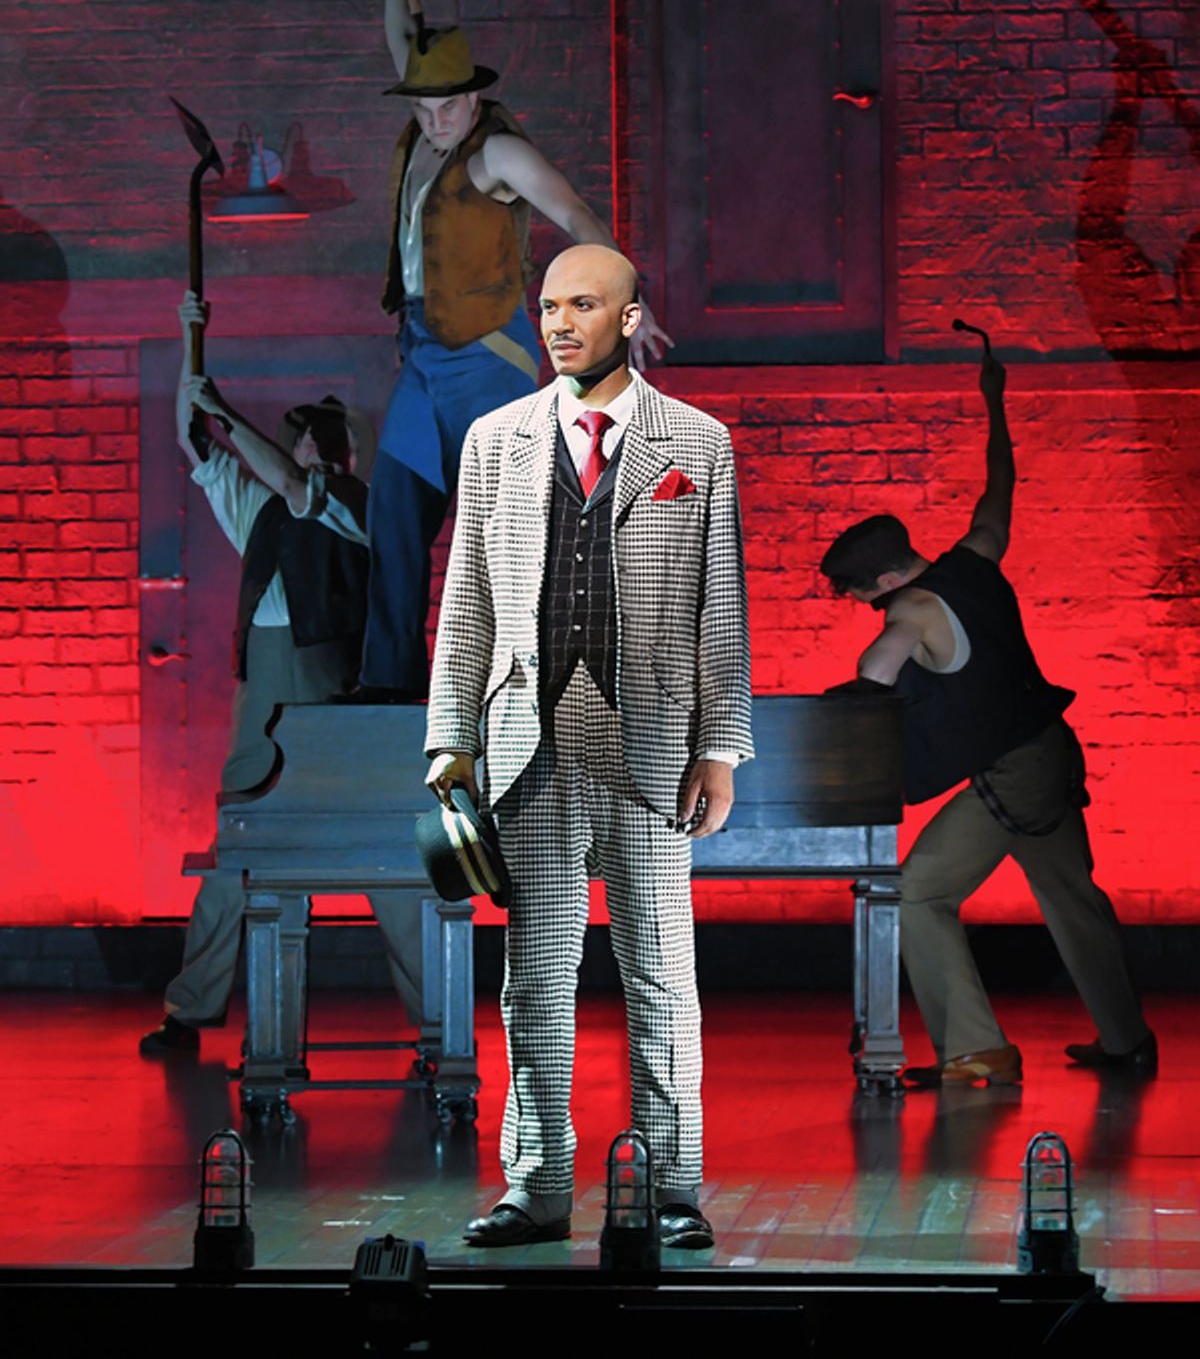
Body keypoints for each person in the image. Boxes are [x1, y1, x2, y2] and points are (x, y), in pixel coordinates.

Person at [424, 244, 753, 1247]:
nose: (560, 322)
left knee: (661, 972)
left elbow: (721, 608)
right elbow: (468, 602)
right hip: (528, 742)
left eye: (583, 305)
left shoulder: (696, 442)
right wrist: (451, 742)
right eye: (550, 306)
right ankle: (538, 1184)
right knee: (536, 979)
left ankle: (671, 1187)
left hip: (649, 745)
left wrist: (722, 747)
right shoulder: (496, 440)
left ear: (629, 316)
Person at [359, 0, 672, 699]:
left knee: (500, 533)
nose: (435, 121)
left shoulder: (497, 150)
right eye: (424, 108)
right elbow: (408, 37)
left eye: (447, 106)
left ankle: (519, 681)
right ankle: (390, 680)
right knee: (392, 514)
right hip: (424, 359)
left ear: (472, 97)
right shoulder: (424, 127)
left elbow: (575, 215)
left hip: (484, 363)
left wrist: (619, 303)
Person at [819, 350, 1155, 1086]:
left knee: (918, 893)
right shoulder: (977, 556)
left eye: (853, 593)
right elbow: (1000, 485)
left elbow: (876, 673)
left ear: (880, 581)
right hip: (1052, 753)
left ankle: (977, 1050)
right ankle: (1128, 1040)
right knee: (1073, 896)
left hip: (1012, 774)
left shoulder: (908, 607)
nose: (856, 604)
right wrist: (995, 402)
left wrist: (852, 701)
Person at [140, 292, 422, 1054]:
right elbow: (195, 444)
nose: (298, 452)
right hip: (263, 693)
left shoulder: (355, 505)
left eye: (307, 443)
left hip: (335, 700)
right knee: (239, 843)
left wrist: (228, 413)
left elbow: (298, 489)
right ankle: (193, 1008)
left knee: (382, 854)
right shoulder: (262, 509)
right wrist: (188, 342)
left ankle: (435, 1024)